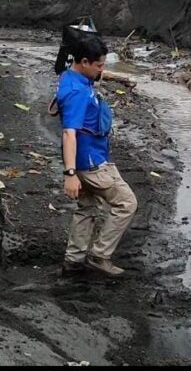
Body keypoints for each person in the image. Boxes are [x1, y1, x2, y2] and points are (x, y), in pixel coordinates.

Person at [55, 35, 138, 278]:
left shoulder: (72, 76)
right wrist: (70, 174)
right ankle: (99, 255)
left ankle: (74, 260)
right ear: (83, 61)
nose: (102, 69)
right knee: (126, 203)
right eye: (99, 65)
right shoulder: (77, 93)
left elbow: (91, 76)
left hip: (85, 158)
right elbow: (69, 133)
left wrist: (115, 77)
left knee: (87, 207)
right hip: (91, 162)